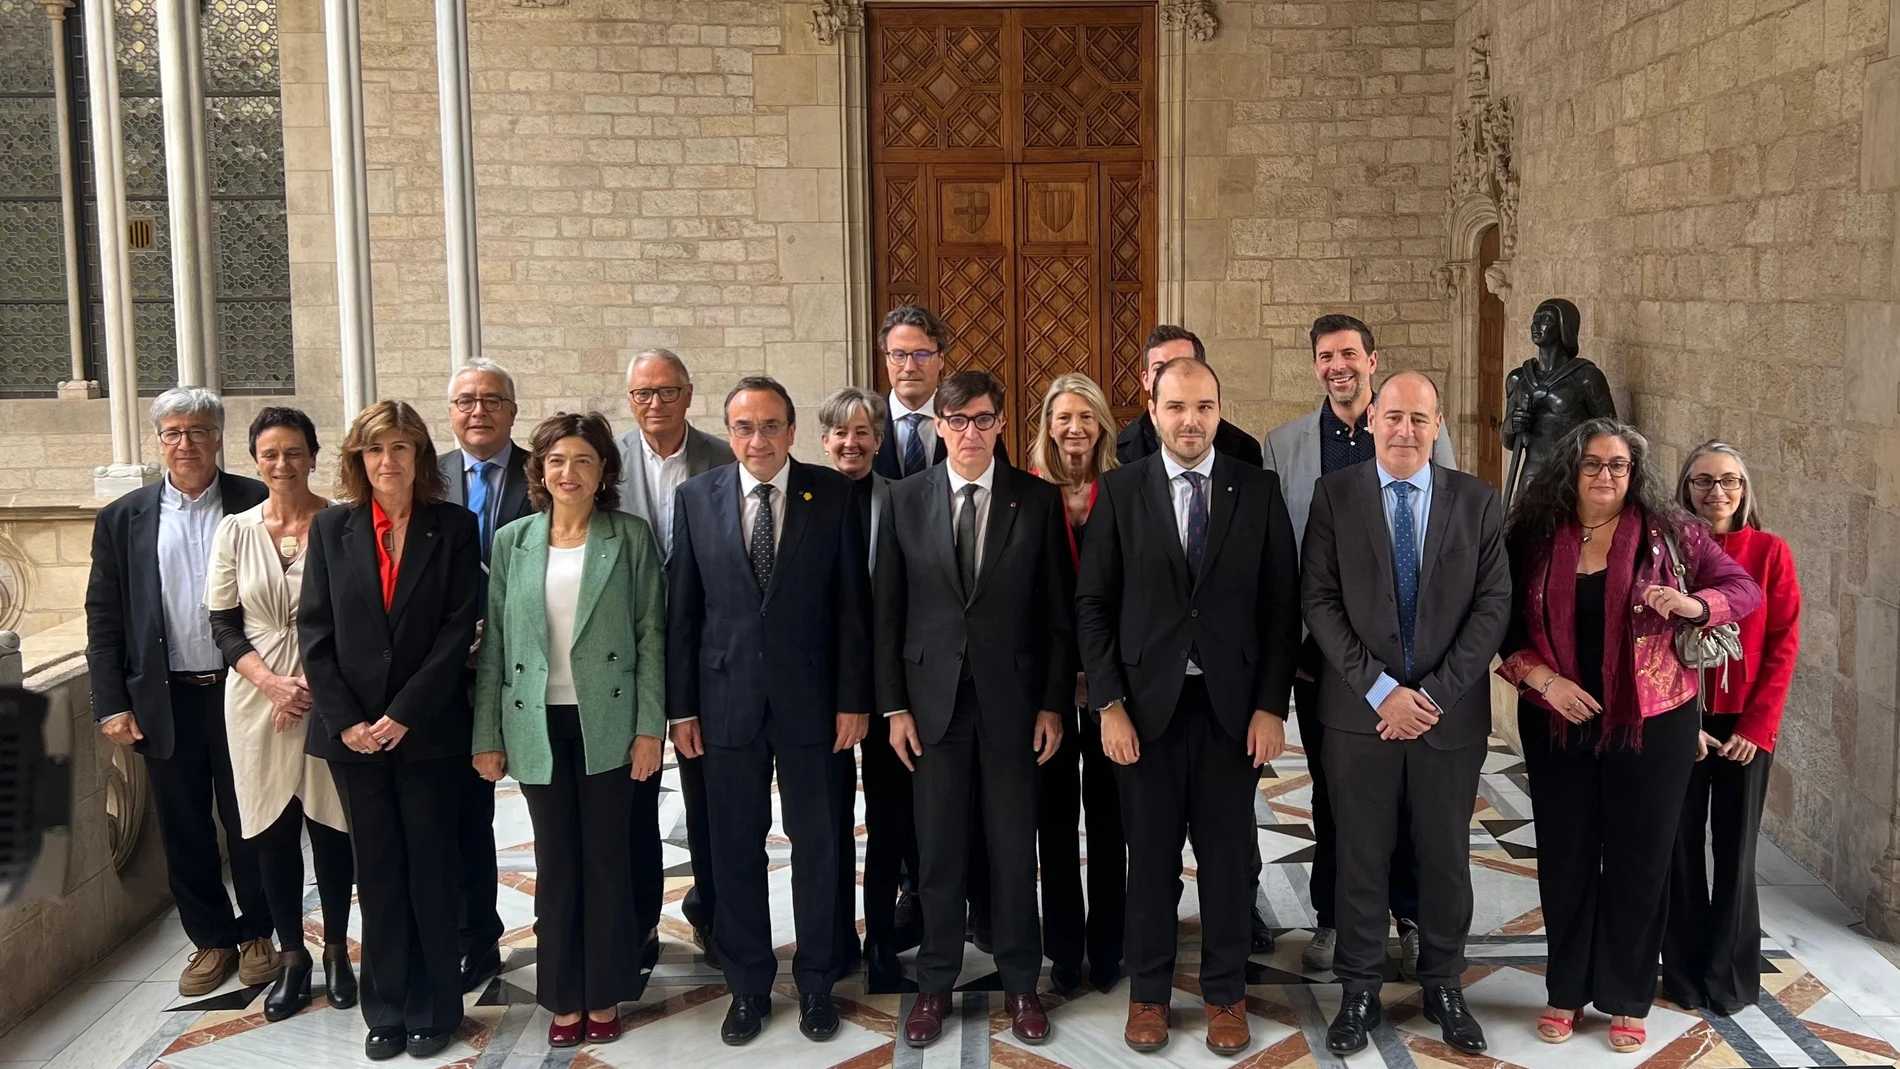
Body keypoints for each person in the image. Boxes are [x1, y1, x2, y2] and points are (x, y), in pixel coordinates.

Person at [1496, 418, 1761, 1054]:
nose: (1607, 476)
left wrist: (1697, 606)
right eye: (1593, 464)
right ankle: (1565, 990)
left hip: (1656, 720)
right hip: (1560, 718)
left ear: (1634, 472)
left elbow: (1741, 588)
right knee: (1567, 856)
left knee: (1641, 862)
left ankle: (1625, 997)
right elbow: (1501, 624)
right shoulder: (1533, 534)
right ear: (1571, 469)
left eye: (1619, 465)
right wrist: (1544, 682)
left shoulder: (1674, 534)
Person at [1077, 357, 1301, 1056]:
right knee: (1148, 861)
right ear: (1152, 409)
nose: (1191, 421)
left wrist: (1272, 706)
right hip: (1144, 712)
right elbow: (1093, 606)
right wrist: (1109, 704)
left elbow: (1280, 608)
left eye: (1204, 406)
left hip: (1232, 711)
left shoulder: (1257, 490)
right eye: (1176, 407)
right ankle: (1148, 993)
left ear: (1218, 408)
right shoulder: (1119, 490)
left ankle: (1225, 992)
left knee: (1230, 860)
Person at [1299, 372, 1511, 1055]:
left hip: (1447, 718)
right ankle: (1358, 988)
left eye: (1420, 419)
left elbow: (1492, 609)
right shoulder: (1334, 497)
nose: (1405, 430)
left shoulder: (1477, 502)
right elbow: (1320, 601)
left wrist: (1434, 694)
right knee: (1360, 855)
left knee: (1446, 856)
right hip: (1360, 717)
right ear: (1372, 420)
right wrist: (1380, 689)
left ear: (1438, 423)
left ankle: (1444, 982)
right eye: (1393, 416)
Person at [666, 376, 871, 1045]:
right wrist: (681, 708)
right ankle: (748, 985)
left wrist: (853, 700)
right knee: (732, 851)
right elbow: (684, 612)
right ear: (729, 432)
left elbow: (851, 608)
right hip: (725, 704)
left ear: (792, 430)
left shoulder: (832, 494)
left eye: (772, 425)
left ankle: (817, 981)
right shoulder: (696, 497)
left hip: (815, 704)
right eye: (745, 426)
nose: (759, 439)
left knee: (820, 845)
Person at [876, 371, 1073, 1048]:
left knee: (1015, 849)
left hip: (1013, 704)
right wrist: (894, 707)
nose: (969, 432)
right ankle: (935, 983)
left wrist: (1052, 702)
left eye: (982, 419)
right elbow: (888, 613)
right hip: (932, 707)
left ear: (1000, 425)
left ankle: (1021, 981)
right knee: (937, 853)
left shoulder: (1036, 501)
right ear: (938, 425)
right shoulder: (904, 499)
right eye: (956, 420)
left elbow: (1057, 616)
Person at [1262, 313, 1457, 975]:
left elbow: (1450, 535)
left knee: (1408, 792)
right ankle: (1334, 916)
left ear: (1373, 359)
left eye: (1349, 353)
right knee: (1333, 791)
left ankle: (1407, 915)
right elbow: (1282, 554)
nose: (1337, 365)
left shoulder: (1421, 430)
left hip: (1410, 661)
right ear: (1315, 365)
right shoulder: (1285, 444)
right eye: (1325, 355)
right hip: (1326, 657)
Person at [473, 412, 667, 1048]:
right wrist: (487, 734)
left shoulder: (630, 537)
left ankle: (604, 991)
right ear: (540, 470)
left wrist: (649, 728)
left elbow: (651, 635)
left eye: (583, 460)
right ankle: (562, 995)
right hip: (536, 721)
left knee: (607, 860)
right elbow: (496, 647)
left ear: (603, 470)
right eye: (557, 460)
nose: (569, 472)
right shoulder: (513, 541)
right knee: (557, 863)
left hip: (608, 721)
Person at [300, 400, 482, 1061]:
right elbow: (314, 635)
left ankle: (436, 1006)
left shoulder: (454, 528)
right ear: (358, 459)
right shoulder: (331, 529)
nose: (388, 461)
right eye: (375, 449)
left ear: (419, 458)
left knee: (431, 870)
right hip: (353, 742)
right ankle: (387, 1007)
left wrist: (404, 712)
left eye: (401, 447)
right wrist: (347, 720)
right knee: (376, 874)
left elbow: (457, 629)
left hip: (427, 732)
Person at [85, 387, 275, 997]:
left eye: (197, 431)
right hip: (165, 699)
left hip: (243, 692)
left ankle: (258, 933)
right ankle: (210, 940)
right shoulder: (124, 518)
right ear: (158, 441)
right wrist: (111, 700)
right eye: (172, 433)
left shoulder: (258, 499)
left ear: (219, 436)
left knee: (252, 818)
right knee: (184, 825)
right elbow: (104, 615)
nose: (185, 443)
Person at [204, 407, 356, 1021]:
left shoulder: (342, 523)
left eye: (294, 451)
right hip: (256, 696)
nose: (283, 463)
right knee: (269, 830)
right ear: (255, 460)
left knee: (333, 826)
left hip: (331, 694)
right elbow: (220, 621)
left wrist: (317, 687)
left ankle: (340, 954)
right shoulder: (235, 530)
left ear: (314, 456)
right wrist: (271, 683)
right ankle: (292, 956)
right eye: (270, 453)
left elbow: (359, 615)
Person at [1662, 442, 1802, 1016]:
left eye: (1728, 481)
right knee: (1682, 849)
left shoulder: (1770, 553)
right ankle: (1685, 972)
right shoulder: (1670, 554)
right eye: (1702, 481)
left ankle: (1731, 975)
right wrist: (1682, 723)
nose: (1716, 493)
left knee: (1737, 849)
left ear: (1745, 490)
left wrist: (1759, 726)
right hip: (1684, 722)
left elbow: (1782, 644)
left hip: (1746, 726)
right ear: (1685, 488)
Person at [614, 347, 734, 962]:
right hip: (627, 647)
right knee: (634, 786)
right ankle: (638, 920)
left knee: (706, 787)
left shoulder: (722, 454)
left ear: (689, 394)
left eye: (666, 391)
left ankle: (711, 910)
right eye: (642, 394)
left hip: (703, 646)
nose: (654, 404)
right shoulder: (606, 460)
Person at [818, 386, 921, 990]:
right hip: (824, 694)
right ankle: (834, 944)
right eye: (841, 432)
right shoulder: (809, 500)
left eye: (864, 433)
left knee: (890, 825)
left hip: (890, 695)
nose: (852, 443)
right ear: (825, 440)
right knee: (827, 824)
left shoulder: (903, 501)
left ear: (879, 442)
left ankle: (883, 943)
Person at [1025, 372, 1125, 995]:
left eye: (1086, 417)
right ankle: (1063, 951)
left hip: (1115, 685)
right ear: (1047, 427)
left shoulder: (1124, 490)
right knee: (1055, 824)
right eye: (1063, 417)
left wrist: (1106, 677)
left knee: (1114, 823)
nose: (1075, 429)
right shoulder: (1027, 496)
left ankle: (1110, 948)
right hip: (1048, 690)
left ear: (1102, 427)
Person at [438, 357, 533, 992]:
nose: (479, 411)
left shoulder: (548, 471)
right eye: (467, 401)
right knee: (462, 816)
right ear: (451, 413)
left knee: (558, 813)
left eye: (492, 400)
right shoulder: (428, 476)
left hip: (533, 671)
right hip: (446, 679)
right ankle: (475, 936)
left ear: (512, 410)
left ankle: (584, 932)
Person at [873, 304, 1008, 479]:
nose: (909, 367)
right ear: (886, 359)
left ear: (941, 359)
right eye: (898, 355)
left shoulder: (974, 420)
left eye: (921, 355)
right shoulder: (868, 420)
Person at [1114, 325, 1263, 468]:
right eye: (1159, 368)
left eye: (1182, 365)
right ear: (1145, 380)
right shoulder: (1116, 451)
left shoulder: (1244, 449)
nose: (1171, 376)